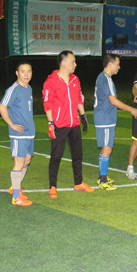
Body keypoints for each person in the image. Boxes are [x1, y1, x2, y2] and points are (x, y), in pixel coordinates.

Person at [43, 50, 94, 198]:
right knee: (56, 156)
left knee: (78, 155)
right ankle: (53, 186)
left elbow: (79, 99)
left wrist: (83, 116)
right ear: (64, 63)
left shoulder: (75, 79)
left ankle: (78, 182)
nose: (75, 64)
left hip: (74, 123)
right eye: (73, 61)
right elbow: (47, 103)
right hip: (59, 124)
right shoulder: (51, 81)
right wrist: (51, 123)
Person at [93, 54, 137, 190]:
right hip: (105, 119)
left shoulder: (102, 77)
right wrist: (131, 109)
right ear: (110, 64)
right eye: (117, 64)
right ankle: (102, 180)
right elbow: (113, 101)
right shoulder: (106, 78)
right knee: (107, 148)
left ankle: (102, 176)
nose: (119, 67)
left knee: (106, 147)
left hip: (104, 118)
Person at [0, 61, 34, 206]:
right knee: (19, 162)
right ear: (17, 73)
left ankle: (15, 188)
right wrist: (12, 124)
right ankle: (16, 197)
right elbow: (1, 107)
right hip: (19, 133)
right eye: (23, 71)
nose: (26, 74)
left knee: (27, 160)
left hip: (29, 133)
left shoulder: (29, 88)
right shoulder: (13, 89)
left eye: (29, 71)